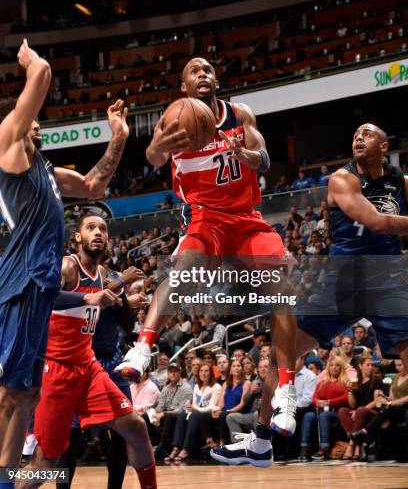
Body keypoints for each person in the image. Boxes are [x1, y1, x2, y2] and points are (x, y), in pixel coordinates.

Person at [115, 57, 293, 463]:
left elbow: (263, 160)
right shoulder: (175, 122)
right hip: (206, 218)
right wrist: (163, 143)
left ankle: (285, 390)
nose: (203, 73)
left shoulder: (240, 114)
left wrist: (244, 153)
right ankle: (143, 348)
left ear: (216, 80)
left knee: (283, 290)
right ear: (184, 87)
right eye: (194, 70)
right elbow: (155, 157)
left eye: (209, 68)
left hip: (246, 219)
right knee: (184, 274)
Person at [216, 123, 408, 466]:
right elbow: (376, 222)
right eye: (355, 134)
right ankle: (260, 442)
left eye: (367, 133)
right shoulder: (342, 179)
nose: (359, 137)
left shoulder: (399, 182)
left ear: (384, 144)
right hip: (343, 283)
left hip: (387, 279)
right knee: (279, 354)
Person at [0, 40, 130, 476]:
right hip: (22, 282)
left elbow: (93, 186)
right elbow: (42, 76)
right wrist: (29, 59)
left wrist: (118, 137)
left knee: (27, 394)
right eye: (29, 117)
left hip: (41, 289)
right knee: (11, 394)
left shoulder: (47, 172)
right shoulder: (9, 149)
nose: (35, 121)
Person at [20, 215, 156, 489]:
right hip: (57, 370)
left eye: (103, 229)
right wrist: (88, 297)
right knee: (46, 463)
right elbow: (43, 295)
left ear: (108, 239)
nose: (98, 233)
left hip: (89, 368)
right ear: (78, 237)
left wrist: (122, 301)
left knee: (136, 428)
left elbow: (124, 320)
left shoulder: (104, 275)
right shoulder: (68, 265)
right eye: (90, 228)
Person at [166, 362, 222, 463]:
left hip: (210, 414)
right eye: (201, 371)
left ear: (211, 373)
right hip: (198, 413)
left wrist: (196, 409)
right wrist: (191, 408)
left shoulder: (216, 387)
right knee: (182, 414)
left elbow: (213, 406)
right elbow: (195, 405)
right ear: (198, 373)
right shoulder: (196, 387)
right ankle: (176, 448)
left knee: (195, 414)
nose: (203, 373)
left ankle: (186, 449)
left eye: (206, 371)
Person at [298, 356, 349, 461]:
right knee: (308, 415)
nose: (334, 368)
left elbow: (346, 397)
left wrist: (330, 402)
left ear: (341, 368)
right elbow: (314, 398)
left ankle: (324, 448)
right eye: (331, 365)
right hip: (322, 410)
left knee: (324, 415)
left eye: (337, 365)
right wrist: (318, 402)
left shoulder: (345, 382)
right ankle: (304, 448)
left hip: (337, 413)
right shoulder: (322, 382)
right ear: (328, 367)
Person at [351, 358, 408, 447]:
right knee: (384, 421)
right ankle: (366, 444)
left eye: (400, 365)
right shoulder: (396, 377)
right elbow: (391, 398)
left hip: (405, 409)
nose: (397, 368)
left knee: (386, 411)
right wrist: (384, 398)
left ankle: (364, 433)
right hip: (394, 409)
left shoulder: (376, 380)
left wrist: (391, 403)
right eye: (396, 365)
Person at [338, 354, 383, 460]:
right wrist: (350, 391)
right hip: (358, 411)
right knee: (342, 411)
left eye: (372, 365)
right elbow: (352, 404)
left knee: (360, 410)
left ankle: (351, 445)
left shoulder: (376, 380)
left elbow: (378, 402)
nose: (370, 367)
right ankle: (357, 444)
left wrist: (358, 411)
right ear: (360, 365)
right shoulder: (355, 381)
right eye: (368, 365)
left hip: (374, 412)